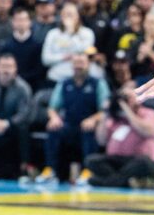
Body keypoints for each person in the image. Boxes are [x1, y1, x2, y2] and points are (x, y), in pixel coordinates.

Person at [42, 51, 110, 185]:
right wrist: (54, 118)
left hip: (89, 125)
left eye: (82, 63)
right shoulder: (64, 84)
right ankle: (51, 170)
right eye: (76, 64)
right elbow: (52, 107)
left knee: (88, 131)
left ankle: (88, 171)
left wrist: (93, 119)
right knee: (53, 129)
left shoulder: (98, 84)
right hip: (69, 124)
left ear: (88, 65)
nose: (78, 67)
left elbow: (105, 110)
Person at [86, 81, 154, 188]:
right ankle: (124, 182)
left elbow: (149, 131)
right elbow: (101, 140)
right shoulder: (115, 118)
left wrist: (127, 111)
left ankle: (108, 182)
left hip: (138, 161)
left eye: (128, 97)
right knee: (91, 160)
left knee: (143, 162)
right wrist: (105, 113)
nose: (125, 101)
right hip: (117, 161)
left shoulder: (147, 113)